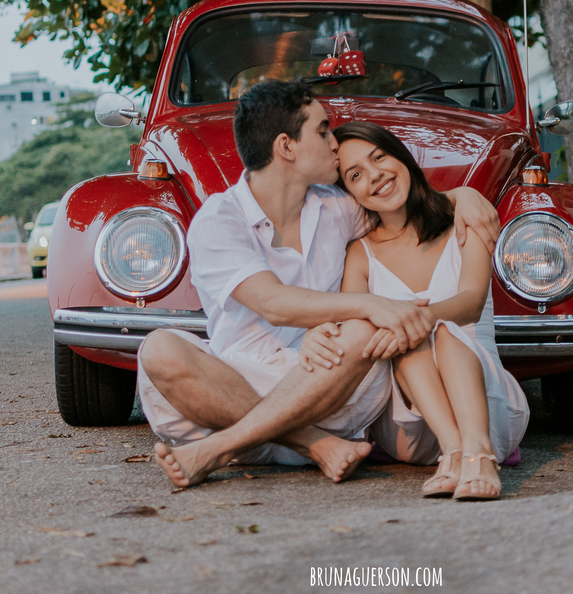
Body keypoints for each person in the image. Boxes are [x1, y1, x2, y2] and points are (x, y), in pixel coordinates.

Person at [137, 79, 500, 489]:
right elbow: (273, 303)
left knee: (363, 331)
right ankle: (313, 445)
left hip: (331, 385)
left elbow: (399, 202)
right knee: (158, 349)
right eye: (323, 130)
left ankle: (220, 449)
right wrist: (366, 305)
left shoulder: (336, 207)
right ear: (286, 147)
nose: (334, 142)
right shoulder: (218, 222)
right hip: (233, 391)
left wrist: (460, 195)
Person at [302, 121, 528, 501]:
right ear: (350, 192)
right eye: (356, 174)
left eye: (379, 157)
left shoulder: (464, 223)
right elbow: (351, 325)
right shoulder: (361, 253)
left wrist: (423, 317)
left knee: (437, 328)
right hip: (411, 423)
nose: (375, 176)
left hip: (488, 409)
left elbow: (472, 302)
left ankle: (477, 454)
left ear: (401, 157)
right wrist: (316, 331)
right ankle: (454, 451)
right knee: (403, 328)